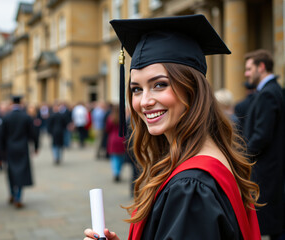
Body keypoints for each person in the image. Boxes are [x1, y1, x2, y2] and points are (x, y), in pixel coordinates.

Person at [84, 14, 260, 240]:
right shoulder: (211, 159)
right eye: (136, 89)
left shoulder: (190, 188)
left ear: (192, 89)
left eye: (159, 85)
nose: (144, 101)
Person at [242, 49, 284, 239]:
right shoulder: (274, 90)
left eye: (249, 69)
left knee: (273, 227)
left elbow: (262, 135)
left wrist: (242, 157)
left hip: (268, 170)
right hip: (272, 168)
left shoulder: (268, 93)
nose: (246, 74)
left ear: (261, 67)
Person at [1, 95, 37, 209]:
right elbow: (33, 133)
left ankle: (12, 193)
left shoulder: (6, 117)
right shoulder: (26, 116)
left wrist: (1, 150)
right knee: (21, 172)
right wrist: (36, 146)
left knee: (11, 172)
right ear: (21, 103)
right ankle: (18, 197)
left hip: (10, 148)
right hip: (22, 148)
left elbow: (1, 135)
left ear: (11, 103)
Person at [105, 104, 126, 182]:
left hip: (113, 138)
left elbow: (107, 129)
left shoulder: (110, 118)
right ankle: (119, 171)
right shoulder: (124, 118)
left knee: (114, 158)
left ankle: (116, 172)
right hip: (122, 138)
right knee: (121, 157)